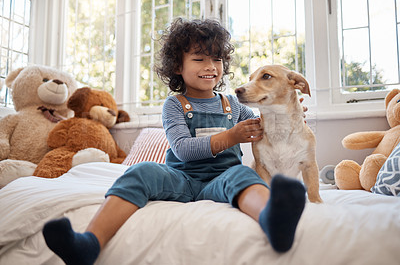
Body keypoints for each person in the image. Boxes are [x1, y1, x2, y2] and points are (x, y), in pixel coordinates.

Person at [42, 18, 306, 265]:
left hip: (221, 179)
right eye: (199, 59)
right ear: (178, 67)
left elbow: (265, 126)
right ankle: (89, 242)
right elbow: (182, 149)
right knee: (140, 170)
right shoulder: (174, 105)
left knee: (242, 174)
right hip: (182, 179)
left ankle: (274, 222)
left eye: (216, 59)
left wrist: (286, 113)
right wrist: (230, 136)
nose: (210, 66)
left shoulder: (233, 105)